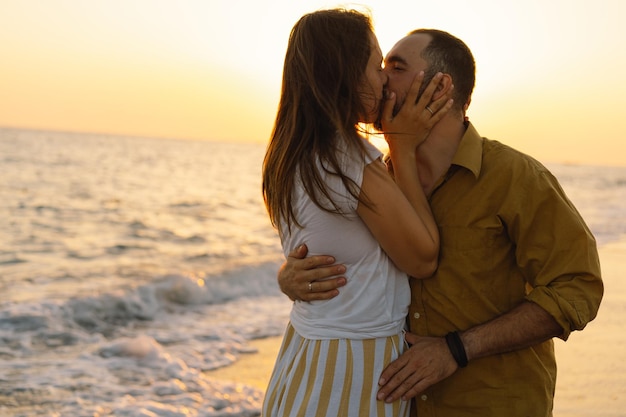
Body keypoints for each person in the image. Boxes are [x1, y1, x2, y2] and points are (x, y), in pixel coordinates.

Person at [276, 28, 603, 417]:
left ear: (440, 87)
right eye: (380, 67)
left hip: (492, 404)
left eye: (395, 68)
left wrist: (458, 349)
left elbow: (578, 287)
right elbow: (348, 259)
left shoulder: (515, 177)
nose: (380, 78)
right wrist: (288, 277)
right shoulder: (374, 178)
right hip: (397, 404)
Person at [260, 10, 454, 417]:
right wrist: (401, 145)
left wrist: (285, 276)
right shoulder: (347, 164)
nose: (384, 79)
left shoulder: (293, 153)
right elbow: (422, 258)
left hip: (304, 357)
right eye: (375, 65)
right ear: (345, 72)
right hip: (350, 372)